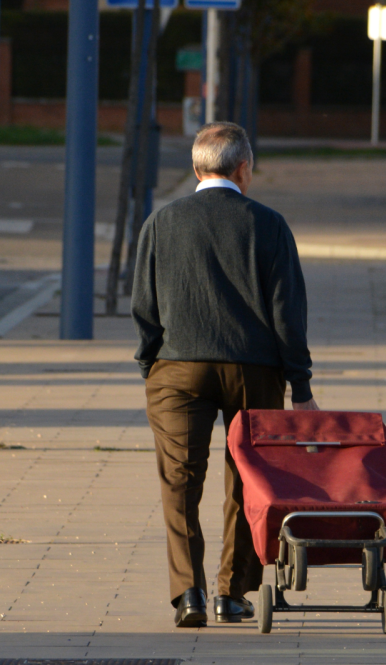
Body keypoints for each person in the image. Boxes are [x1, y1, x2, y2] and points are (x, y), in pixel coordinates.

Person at [130, 122, 318, 628]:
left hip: (177, 369)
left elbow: (143, 305)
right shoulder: (269, 225)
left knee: (180, 481)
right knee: (248, 477)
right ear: (243, 169)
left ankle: (188, 594)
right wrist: (300, 385)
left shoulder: (161, 222)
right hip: (253, 370)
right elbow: (288, 314)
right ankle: (232, 593)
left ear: (196, 169)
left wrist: (151, 364)